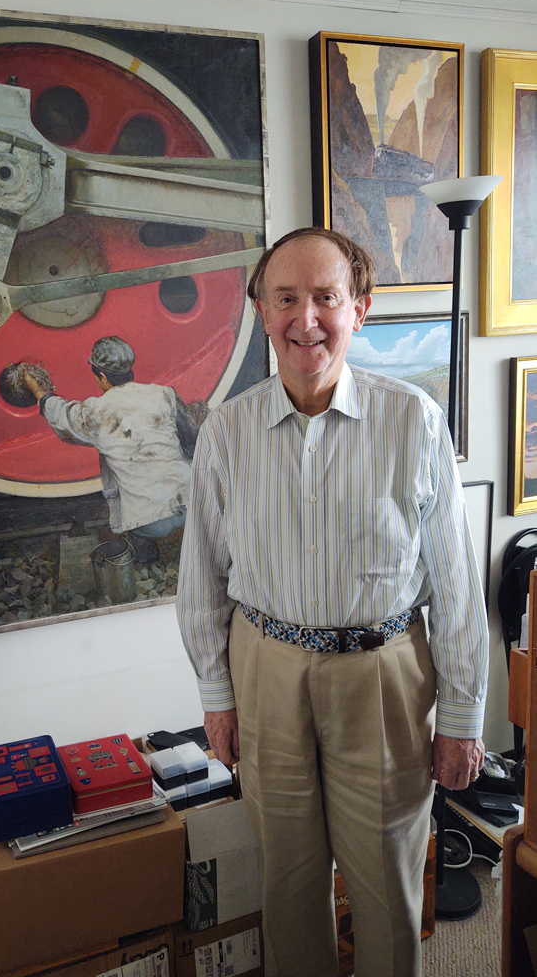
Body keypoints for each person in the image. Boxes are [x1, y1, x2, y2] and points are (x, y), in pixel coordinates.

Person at [176, 227, 488, 977]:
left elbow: (455, 582)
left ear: (361, 310)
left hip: (382, 677)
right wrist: (216, 695)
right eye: (286, 298)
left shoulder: (413, 421)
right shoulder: (226, 432)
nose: (305, 319)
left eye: (326, 298)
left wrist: (464, 717)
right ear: (261, 309)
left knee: (385, 883)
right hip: (266, 673)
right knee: (286, 880)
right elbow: (202, 576)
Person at [21, 336, 201, 561]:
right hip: (190, 506)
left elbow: (61, 416)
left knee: (136, 518)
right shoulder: (165, 394)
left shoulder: (96, 412)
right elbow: (192, 441)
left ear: (102, 376)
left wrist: (38, 390)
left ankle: (145, 554)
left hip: (150, 522)